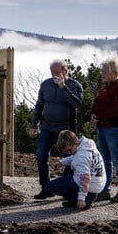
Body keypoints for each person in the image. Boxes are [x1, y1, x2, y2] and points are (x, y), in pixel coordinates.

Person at [30, 59, 83, 199]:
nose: (54, 75)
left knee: (70, 159)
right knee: (41, 155)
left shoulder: (74, 85)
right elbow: (39, 105)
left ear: (66, 71)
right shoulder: (46, 84)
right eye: (52, 72)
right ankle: (46, 188)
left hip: (66, 129)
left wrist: (63, 87)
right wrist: (34, 125)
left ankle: (68, 189)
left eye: (57, 72)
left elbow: (76, 104)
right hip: (47, 127)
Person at [89, 59, 118, 203]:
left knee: (117, 159)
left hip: (115, 129)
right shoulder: (104, 88)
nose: (102, 74)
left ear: (115, 73)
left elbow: (115, 110)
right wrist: (93, 116)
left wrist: (98, 118)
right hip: (103, 128)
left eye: (105, 71)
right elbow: (96, 105)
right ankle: (104, 190)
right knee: (104, 160)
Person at [45, 130, 104, 209]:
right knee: (71, 170)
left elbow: (85, 177)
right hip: (98, 184)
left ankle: (81, 200)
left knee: (51, 186)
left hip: (90, 185)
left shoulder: (80, 158)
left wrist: (81, 198)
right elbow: (75, 157)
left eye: (69, 150)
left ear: (76, 143)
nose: (69, 153)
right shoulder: (87, 145)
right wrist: (62, 162)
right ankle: (88, 197)